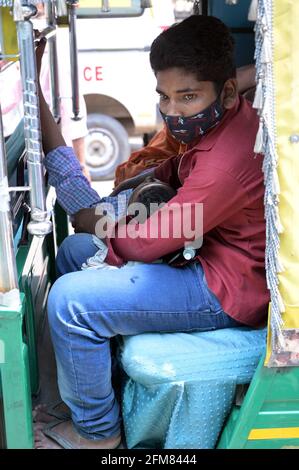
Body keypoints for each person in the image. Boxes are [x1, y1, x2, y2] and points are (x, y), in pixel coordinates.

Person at [34, 15, 269, 449]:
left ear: (229, 91)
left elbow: (145, 244)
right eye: (164, 96)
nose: (172, 111)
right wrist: (125, 198)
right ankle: (100, 392)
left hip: (225, 288)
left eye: (188, 97)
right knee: (72, 253)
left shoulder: (226, 165)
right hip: (207, 255)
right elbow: (175, 169)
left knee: (70, 303)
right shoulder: (221, 123)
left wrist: (95, 220)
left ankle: (98, 435)